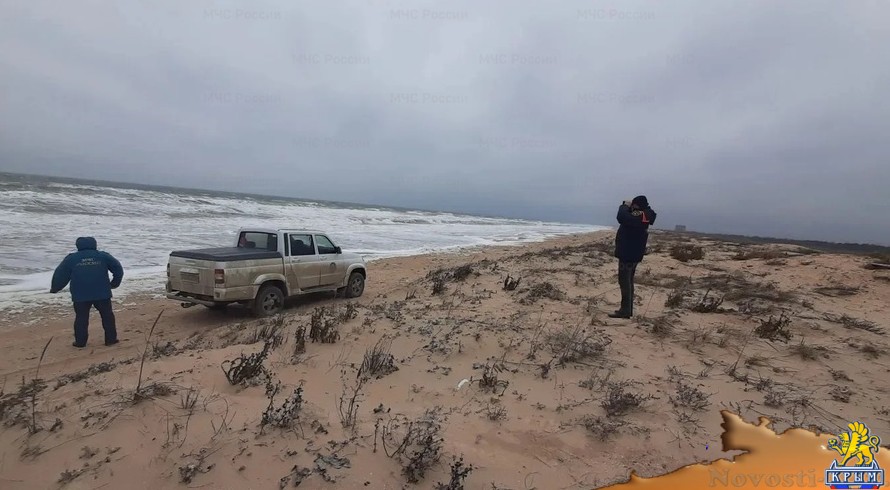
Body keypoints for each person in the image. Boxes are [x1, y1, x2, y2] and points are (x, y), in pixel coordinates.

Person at [50, 237, 124, 347]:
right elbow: (118, 269)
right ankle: (111, 339)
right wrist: (114, 283)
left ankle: (80, 342)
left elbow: (60, 274)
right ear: (95, 244)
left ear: (78, 245)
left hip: (80, 294)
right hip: (102, 292)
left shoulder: (72, 259)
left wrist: (55, 288)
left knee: (81, 318)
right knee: (107, 316)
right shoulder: (103, 256)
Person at [610, 195, 657, 319]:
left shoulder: (639, 216)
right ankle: (627, 309)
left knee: (624, 281)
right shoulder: (646, 215)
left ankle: (625, 310)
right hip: (634, 253)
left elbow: (622, 216)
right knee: (628, 281)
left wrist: (624, 206)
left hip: (628, 253)